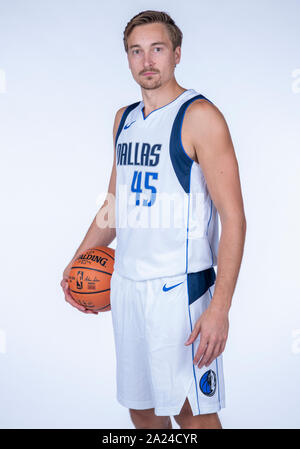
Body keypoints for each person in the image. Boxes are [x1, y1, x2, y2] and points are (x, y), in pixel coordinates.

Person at [61, 10, 247, 430]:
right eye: (136, 51)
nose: (147, 61)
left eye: (157, 49)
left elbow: (234, 219)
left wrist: (220, 309)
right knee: (141, 408)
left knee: (190, 412)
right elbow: (114, 205)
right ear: (127, 58)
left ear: (177, 54)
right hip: (128, 285)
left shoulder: (200, 117)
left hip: (180, 291)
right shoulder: (123, 119)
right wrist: (77, 262)